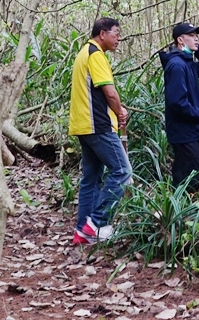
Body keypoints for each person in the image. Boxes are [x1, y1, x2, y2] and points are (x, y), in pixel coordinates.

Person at [68, 17, 132, 244]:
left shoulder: (84, 52)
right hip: (98, 125)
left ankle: (82, 232)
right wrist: (120, 112)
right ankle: (95, 223)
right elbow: (109, 92)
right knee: (122, 170)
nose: (119, 38)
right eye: (116, 33)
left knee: (91, 178)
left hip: (84, 125)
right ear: (102, 33)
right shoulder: (95, 54)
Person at [159, 22, 199, 192]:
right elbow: (178, 102)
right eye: (191, 36)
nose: (196, 38)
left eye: (196, 35)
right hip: (183, 132)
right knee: (187, 174)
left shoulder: (187, 63)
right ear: (180, 40)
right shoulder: (177, 65)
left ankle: (188, 203)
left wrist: (197, 48)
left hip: (193, 129)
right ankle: (180, 211)